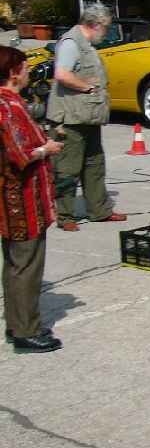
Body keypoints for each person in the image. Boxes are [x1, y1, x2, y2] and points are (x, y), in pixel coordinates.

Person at [0, 46, 64, 353]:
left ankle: (17, 323)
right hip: (21, 197)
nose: (29, 73)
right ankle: (27, 329)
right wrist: (46, 149)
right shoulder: (8, 106)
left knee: (16, 264)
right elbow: (20, 153)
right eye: (25, 68)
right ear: (14, 73)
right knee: (26, 264)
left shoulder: (11, 103)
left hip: (17, 196)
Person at [46, 3, 127, 232]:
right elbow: (62, 74)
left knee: (94, 164)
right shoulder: (71, 43)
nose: (107, 32)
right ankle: (65, 216)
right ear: (97, 25)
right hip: (70, 120)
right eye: (107, 27)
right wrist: (86, 87)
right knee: (67, 169)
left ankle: (99, 210)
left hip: (88, 118)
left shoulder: (88, 45)